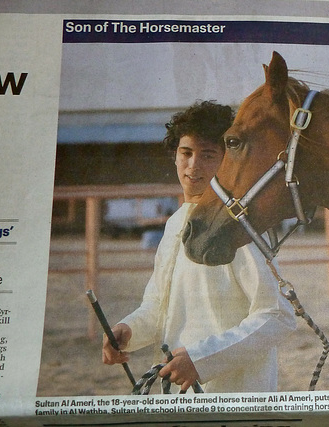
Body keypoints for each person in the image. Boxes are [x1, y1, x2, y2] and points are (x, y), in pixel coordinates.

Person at [102, 101, 297, 393]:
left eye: (207, 155)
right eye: (186, 153)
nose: (194, 165)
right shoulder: (175, 223)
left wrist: (202, 360)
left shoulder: (239, 227)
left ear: (227, 160)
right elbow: (159, 306)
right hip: (176, 396)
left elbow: (277, 315)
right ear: (175, 158)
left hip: (233, 397)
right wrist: (128, 331)